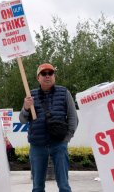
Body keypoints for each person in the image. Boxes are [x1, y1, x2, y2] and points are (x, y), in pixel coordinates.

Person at [19, 63, 79, 192]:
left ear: (54, 76)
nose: (47, 76)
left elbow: (73, 118)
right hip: (37, 146)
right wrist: (25, 107)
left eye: (50, 73)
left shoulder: (64, 92)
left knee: (64, 186)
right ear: (38, 78)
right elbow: (22, 120)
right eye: (44, 74)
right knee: (37, 187)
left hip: (59, 145)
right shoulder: (31, 96)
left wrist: (66, 139)